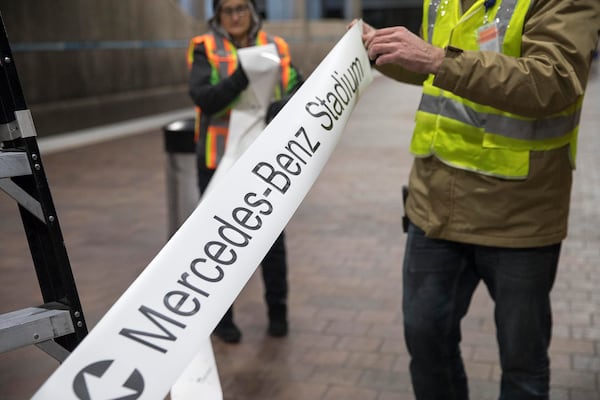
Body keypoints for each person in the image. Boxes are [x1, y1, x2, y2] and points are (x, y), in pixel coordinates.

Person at [353, 1, 600, 399]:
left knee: (522, 363)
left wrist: (436, 59)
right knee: (426, 342)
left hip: (518, 214)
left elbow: (554, 79)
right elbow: (429, 65)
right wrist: (377, 48)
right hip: (433, 206)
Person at [187, 0, 303, 343]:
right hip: (218, 161)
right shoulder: (204, 47)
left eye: (242, 8)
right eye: (228, 10)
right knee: (219, 245)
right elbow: (203, 98)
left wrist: (282, 106)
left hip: (264, 162)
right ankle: (222, 319)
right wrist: (242, 75)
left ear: (253, 11)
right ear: (217, 15)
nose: (235, 16)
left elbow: (299, 86)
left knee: (272, 241)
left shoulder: (277, 46)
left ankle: (278, 311)